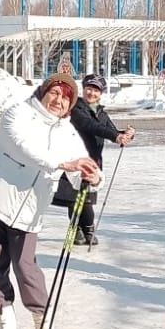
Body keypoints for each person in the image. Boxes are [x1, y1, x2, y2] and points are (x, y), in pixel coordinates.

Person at [0, 73, 100, 329]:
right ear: (43, 92)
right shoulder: (18, 113)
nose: (59, 101)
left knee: (26, 265)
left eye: (66, 98)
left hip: (29, 208)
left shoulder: (67, 131)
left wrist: (91, 175)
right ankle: (6, 321)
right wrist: (65, 164)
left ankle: (42, 318)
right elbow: (23, 148)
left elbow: (82, 166)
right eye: (55, 93)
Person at [56, 72, 134, 246]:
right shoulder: (76, 109)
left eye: (96, 90)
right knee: (75, 200)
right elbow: (89, 126)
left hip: (93, 164)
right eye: (89, 88)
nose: (92, 93)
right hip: (75, 162)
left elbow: (110, 130)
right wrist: (115, 136)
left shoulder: (101, 112)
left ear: (101, 92)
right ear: (83, 89)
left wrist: (125, 135)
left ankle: (88, 230)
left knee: (87, 199)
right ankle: (75, 231)